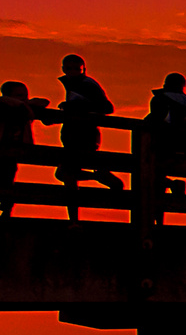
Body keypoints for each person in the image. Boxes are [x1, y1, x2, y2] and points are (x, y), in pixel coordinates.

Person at [46, 55, 122, 224]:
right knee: (66, 174)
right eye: (69, 68)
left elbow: (107, 108)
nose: (73, 71)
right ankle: (103, 179)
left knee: (65, 174)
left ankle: (74, 219)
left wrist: (74, 107)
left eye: (76, 69)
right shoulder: (74, 84)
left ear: (83, 69)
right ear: (63, 68)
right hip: (72, 133)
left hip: (84, 135)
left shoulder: (87, 84)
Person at [1, 82, 48, 219]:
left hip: (15, 151)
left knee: (8, 180)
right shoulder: (3, 106)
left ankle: (6, 211)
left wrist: (24, 104)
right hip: (3, 149)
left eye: (25, 95)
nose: (24, 99)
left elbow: (43, 101)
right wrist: (20, 104)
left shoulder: (26, 108)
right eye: (19, 95)